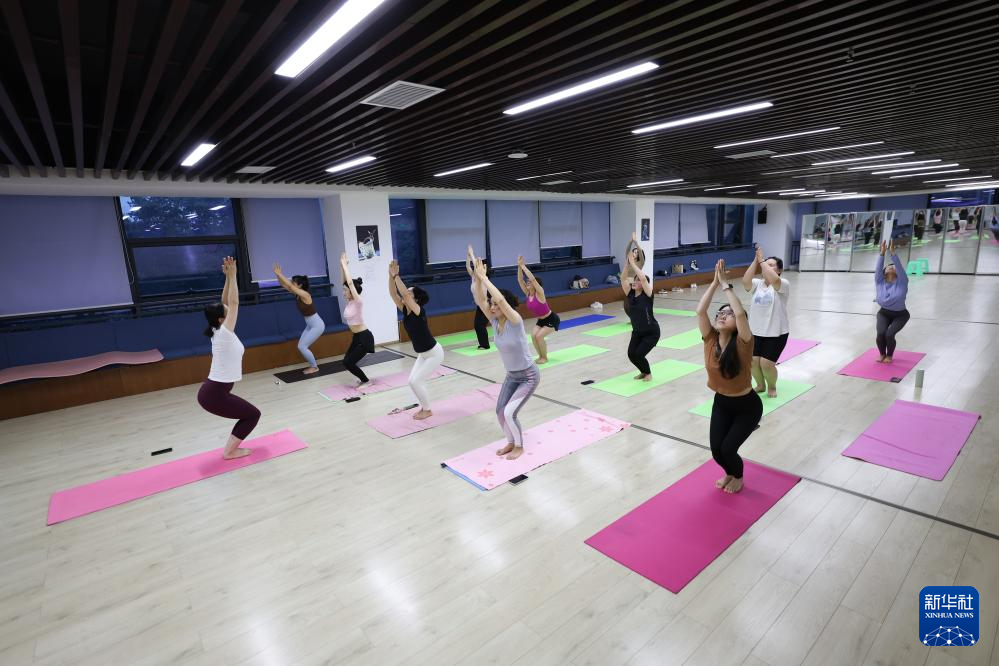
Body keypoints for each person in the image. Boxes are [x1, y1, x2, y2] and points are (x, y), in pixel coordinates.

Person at [696, 259, 761, 494]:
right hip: (721, 402)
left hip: (747, 406)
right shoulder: (710, 339)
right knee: (716, 451)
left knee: (728, 449)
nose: (723, 315)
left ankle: (738, 477)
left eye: (728, 314)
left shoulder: (744, 343)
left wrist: (726, 285)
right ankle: (730, 473)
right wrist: (714, 282)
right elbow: (700, 311)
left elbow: (741, 314)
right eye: (721, 312)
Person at [469, 248, 540, 461]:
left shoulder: (515, 321)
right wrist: (478, 277)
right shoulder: (494, 321)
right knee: (500, 410)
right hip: (511, 376)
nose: (491, 307)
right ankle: (510, 441)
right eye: (491, 305)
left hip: (528, 376)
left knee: (510, 412)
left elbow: (499, 300)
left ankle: (519, 446)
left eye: (495, 304)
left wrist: (484, 278)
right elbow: (480, 299)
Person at [198, 257, 261, 459]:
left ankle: (229, 449)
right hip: (214, 394)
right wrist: (234, 276)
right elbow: (233, 302)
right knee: (253, 415)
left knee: (250, 414)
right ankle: (229, 452)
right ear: (221, 319)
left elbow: (226, 302)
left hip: (213, 392)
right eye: (226, 311)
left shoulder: (218, 330)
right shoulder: (224, 333)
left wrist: (227, 277)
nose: (228, 309)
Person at [388, 260, 443, 419]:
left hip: (434, 354)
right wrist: (390, 276)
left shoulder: (419, 311)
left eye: (410, 293)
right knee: (412, 381)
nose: (406, 293)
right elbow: (393, 294)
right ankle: (425, 407)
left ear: (416, 300)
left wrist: (396, 276)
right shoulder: (405, 310)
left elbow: (404, 294)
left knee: (416, 382)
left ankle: (427, 410)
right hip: (423, 354)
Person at [742, 245, 790, 397]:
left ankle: (772, 386)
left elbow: (774, 279)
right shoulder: (757, 284)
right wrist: (755, 261)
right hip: (756, 331)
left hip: (776, 333)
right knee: (753, 362)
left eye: (771, 265)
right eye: (765, 265)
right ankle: (760, 385)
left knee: (766, 364)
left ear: (779, 270)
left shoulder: (782, 284)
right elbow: (745, 281)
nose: (766, 267)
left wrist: (762, 260)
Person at [621, 232, 659, 380]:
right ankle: (643, 371)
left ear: (643, 285)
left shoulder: (648, 295)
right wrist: (627, 263)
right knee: (631, 354)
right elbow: (623, 278)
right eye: (635, 280)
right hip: (637, 332)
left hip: (651, 332)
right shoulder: (630, 293)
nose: (635, 281)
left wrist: (634, 265)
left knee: (639, 354)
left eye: (638, 281)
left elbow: (643, 278)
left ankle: (648, 373)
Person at [273, 264, 324, 374]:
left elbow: (290, 287)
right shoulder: (297, 294)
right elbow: (284, 285)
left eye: (294, 282)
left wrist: (280, 274)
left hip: (317, 325)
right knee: (301, 346)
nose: (291, 283)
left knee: (302, 347)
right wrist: (277, 275)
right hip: (310, 325)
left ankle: (314, 367)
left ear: (300, 285)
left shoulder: (305, 295)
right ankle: (313, 366)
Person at [339, 252, 374, 386]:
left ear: (352, 291)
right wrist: (342, 267)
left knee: (349, 362)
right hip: (356, 337)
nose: (343, 292)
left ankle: (366, 381)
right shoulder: (349, 302)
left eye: (345, 290)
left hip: (365, 337)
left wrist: (345, 265)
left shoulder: (358, 301)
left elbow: (349, 283)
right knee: (346, 362)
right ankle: (364, 380)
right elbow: (345, 282)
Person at [517, 255, 560, 364]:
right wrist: (519, 267)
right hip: (541, 320)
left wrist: (524, 266)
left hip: (551, 318)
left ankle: (544, 357)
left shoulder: (540, 293)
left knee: (539, 336)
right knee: (533, 336)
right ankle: (540, 356)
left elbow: (532, 278)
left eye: (530, 282)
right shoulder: (528, 294)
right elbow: (520, 280)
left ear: (536, 285)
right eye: (527, 282)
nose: (528, 282)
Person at [874, 240, 910, 363]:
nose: (891, 266)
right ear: (884, 272)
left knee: (889, 334)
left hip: (900, 315)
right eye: (889, 266)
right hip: (884, 313)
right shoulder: (879, 282)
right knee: (880, 334)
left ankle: (889, 355)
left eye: (893, 267)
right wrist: (882, 253)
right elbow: (878, 268)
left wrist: (893, 253)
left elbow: (899, 267)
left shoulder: (902, 282)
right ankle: (882, 354)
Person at [465, 251, 490, 350]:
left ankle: (485, 345)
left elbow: (476, 266)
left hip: (486, 305)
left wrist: (472, 254)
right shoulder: (473, 277)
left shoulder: (483, 277)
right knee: (478, 325)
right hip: (480, 306)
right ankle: (483, 344)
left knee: (480, 325)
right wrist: (468, 256)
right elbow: (468, 266)